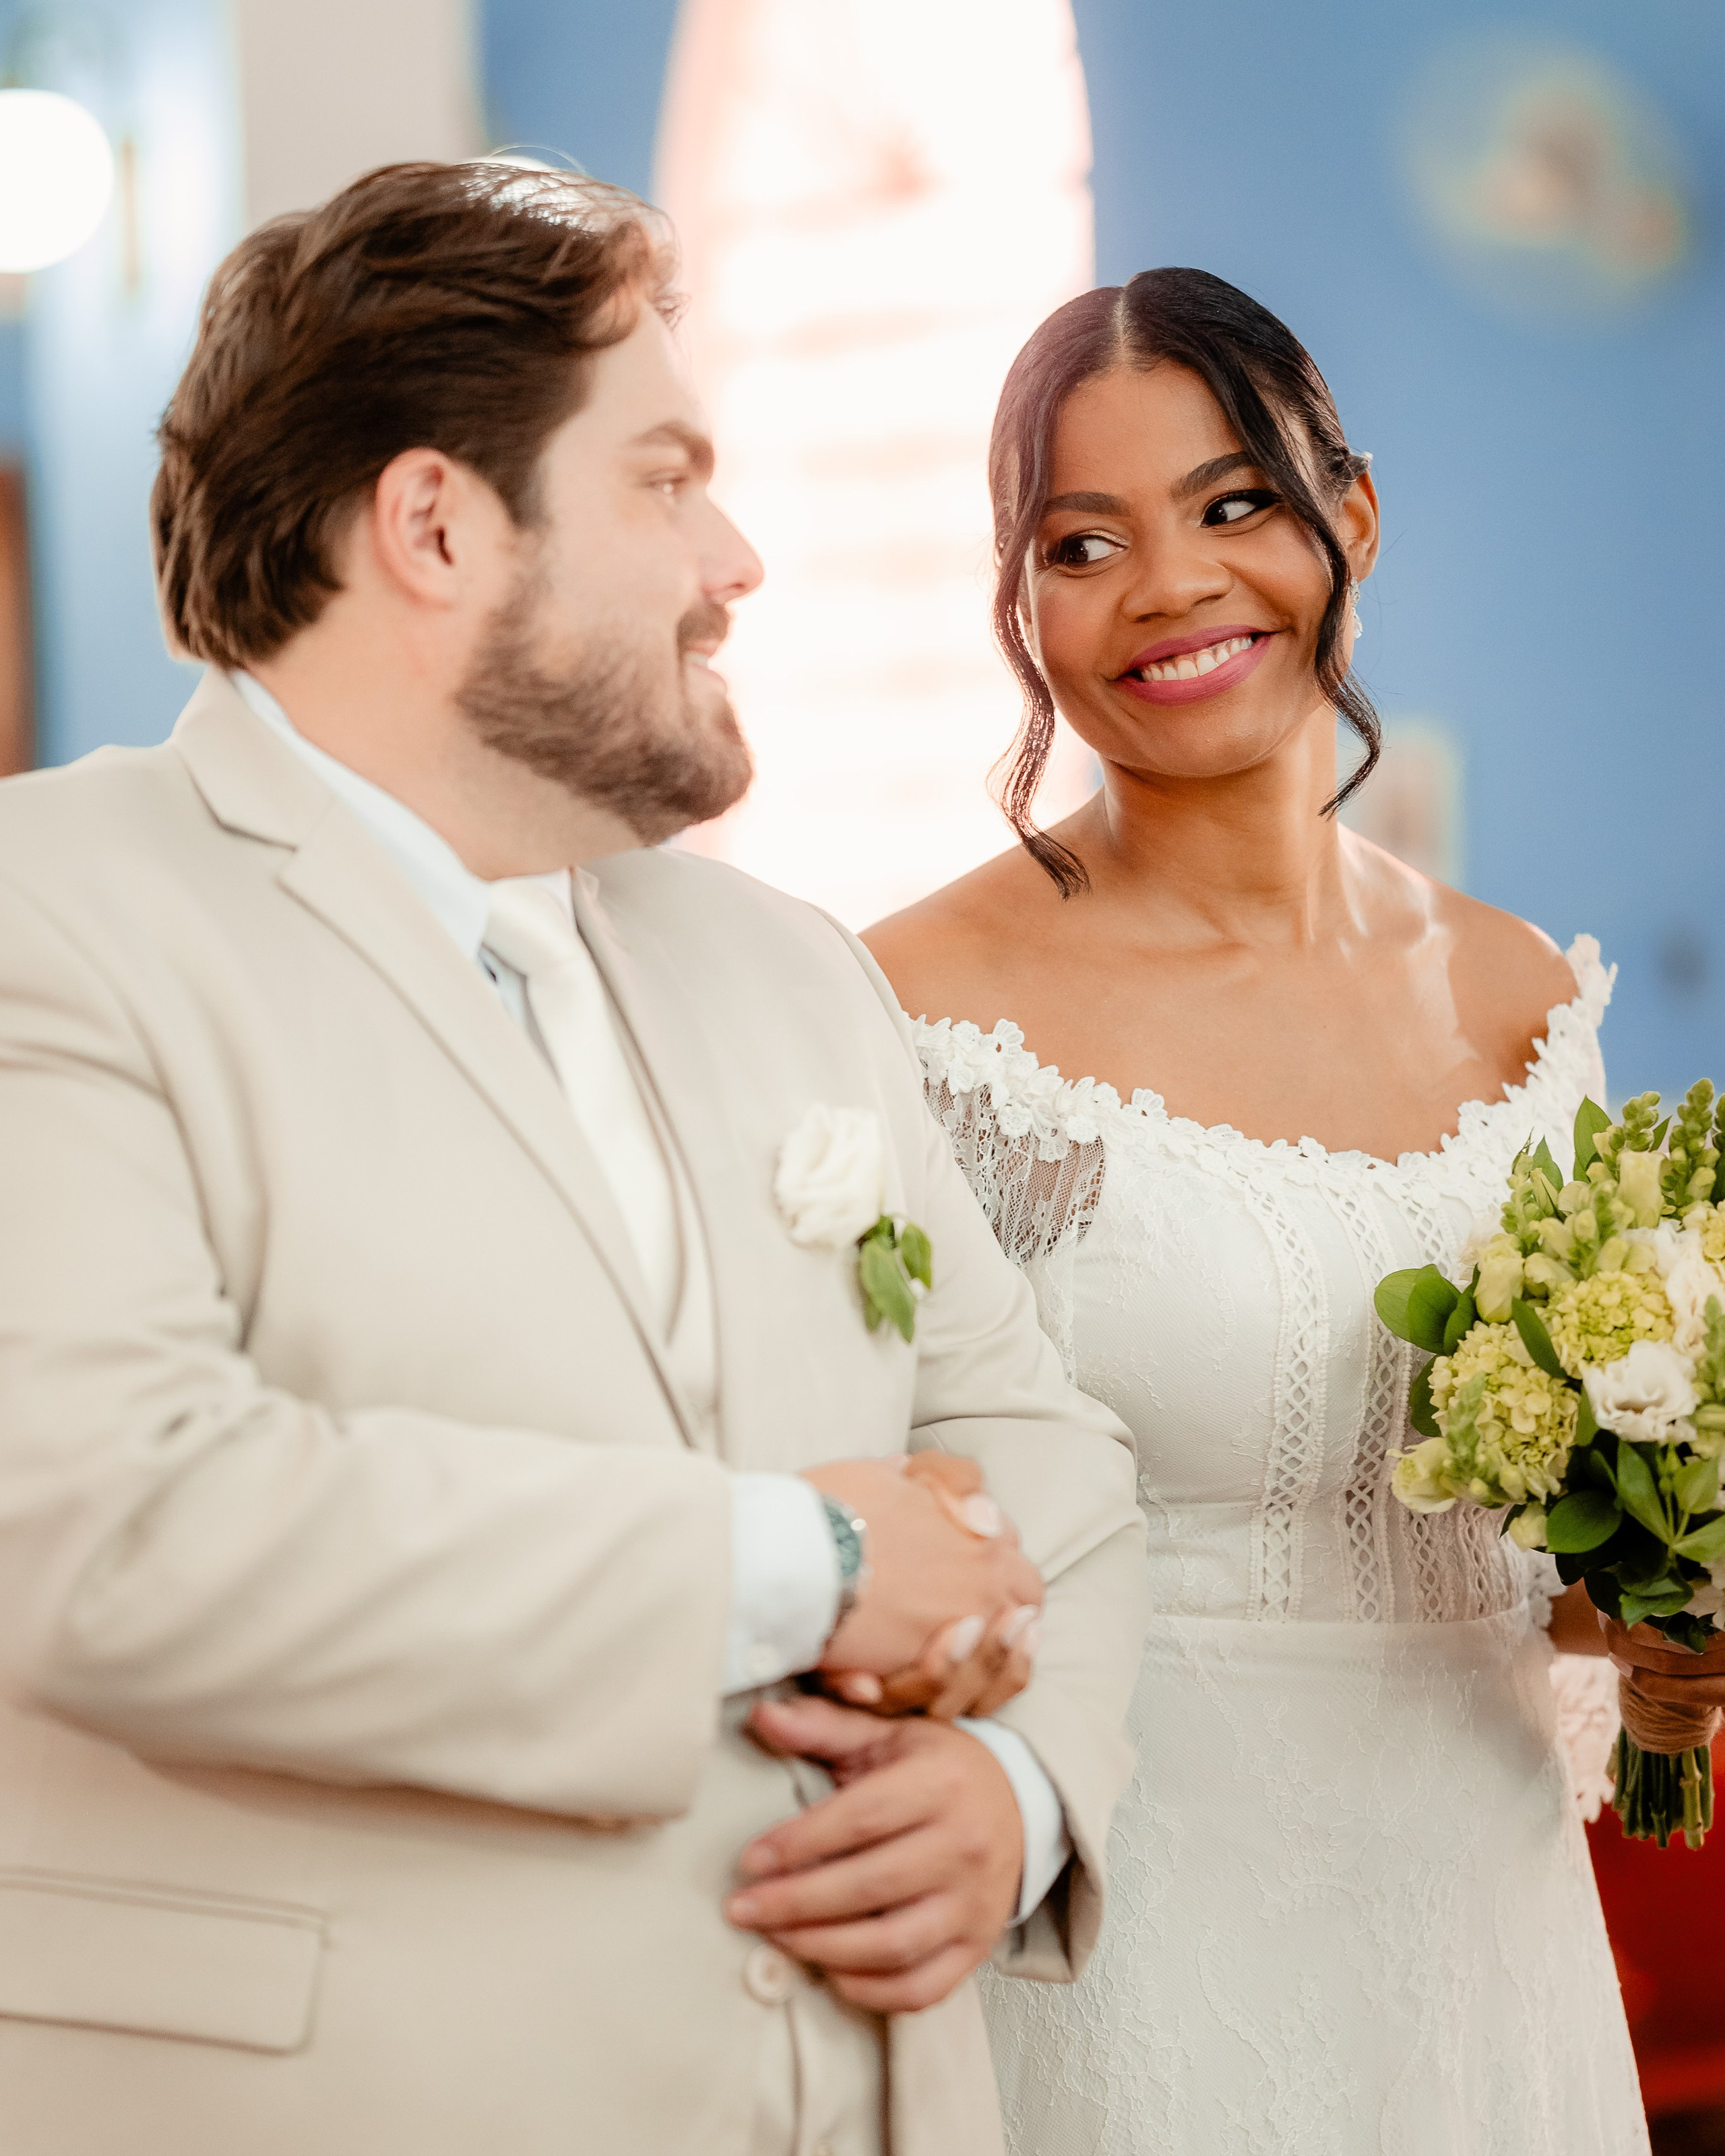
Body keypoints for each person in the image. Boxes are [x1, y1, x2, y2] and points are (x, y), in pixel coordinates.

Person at [0, 164, 1149, 2156]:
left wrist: (1024, 1789)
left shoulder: (787, 968)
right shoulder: (53, 924)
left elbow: (1045, 1447)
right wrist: (817, 1563)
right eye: (667, 479)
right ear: (437, 522)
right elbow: (112, 1524)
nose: (739, 554)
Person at [865, 267, 1648, 2153]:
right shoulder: (897, 1011)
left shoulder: (1525, 996)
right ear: (1019, 598)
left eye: (1233, 506)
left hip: (1482, 1946)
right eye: (1081, 540)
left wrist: (1671, 1653)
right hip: (1119, 1953)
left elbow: (1577, 1609)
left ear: (1347, 518)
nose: (1168, 588)